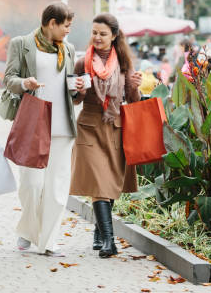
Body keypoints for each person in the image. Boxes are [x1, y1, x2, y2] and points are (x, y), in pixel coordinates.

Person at [1, 1, 80, 257]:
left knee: (57, 189)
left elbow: (69, 88)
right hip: (34, 123)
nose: (68, 30)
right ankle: (27, 229)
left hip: (63, 127)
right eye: (65, 25)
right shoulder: (22, 44)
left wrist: (77, 87)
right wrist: (25, 82)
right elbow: (8, 80)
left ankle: (49, 241)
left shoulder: (68, 49)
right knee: (31, 185)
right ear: (52, 23)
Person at [69, 13, 142, 258]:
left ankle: (99, 233)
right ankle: (110, 241)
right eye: (94, 33)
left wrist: (134, 85)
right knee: (100, 182)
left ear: (113, 36)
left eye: (102, 33)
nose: (97, 38)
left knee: (110, 184)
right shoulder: (82, 63)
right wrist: (76, 91)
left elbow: (133, 101)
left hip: (115, 127)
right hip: (89, 126)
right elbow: (75, 100)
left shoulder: (123, 64)